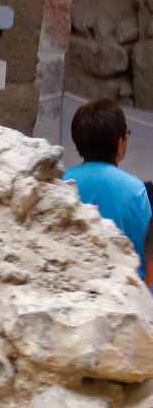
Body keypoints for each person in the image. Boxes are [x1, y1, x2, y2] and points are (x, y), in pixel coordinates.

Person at [65, 98, 150, 280]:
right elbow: (144, 257)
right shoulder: (135, 190)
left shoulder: (62, 181)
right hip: (121, 290)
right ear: (120, 143)